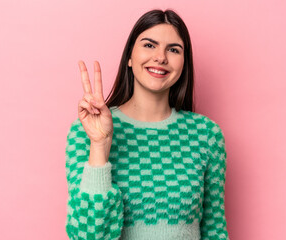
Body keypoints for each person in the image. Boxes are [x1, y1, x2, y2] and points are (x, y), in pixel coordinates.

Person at [65, 9, 229, 240]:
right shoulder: (85, 133)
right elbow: (86, 236)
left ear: (183, 64)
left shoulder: (206, 135)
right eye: (149, 45)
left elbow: (215, 230)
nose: (161, 57)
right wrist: (100, 146)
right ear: (130, 57)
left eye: (173, 50)